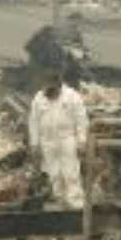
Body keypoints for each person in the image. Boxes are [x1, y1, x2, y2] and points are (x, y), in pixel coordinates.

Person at [28, 71, 89, 209]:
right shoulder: (39, 98)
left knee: (71, 172)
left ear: (59, 85)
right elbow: (34, 122)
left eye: (52, 88)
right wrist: (35, 143)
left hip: (67, 139)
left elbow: (81, 119)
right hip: (47, 141)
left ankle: (76, 205)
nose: (49, 92)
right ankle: (60, 201)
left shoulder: (72, 96)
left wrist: (81, 141)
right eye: (46, 88)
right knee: (54, 173)